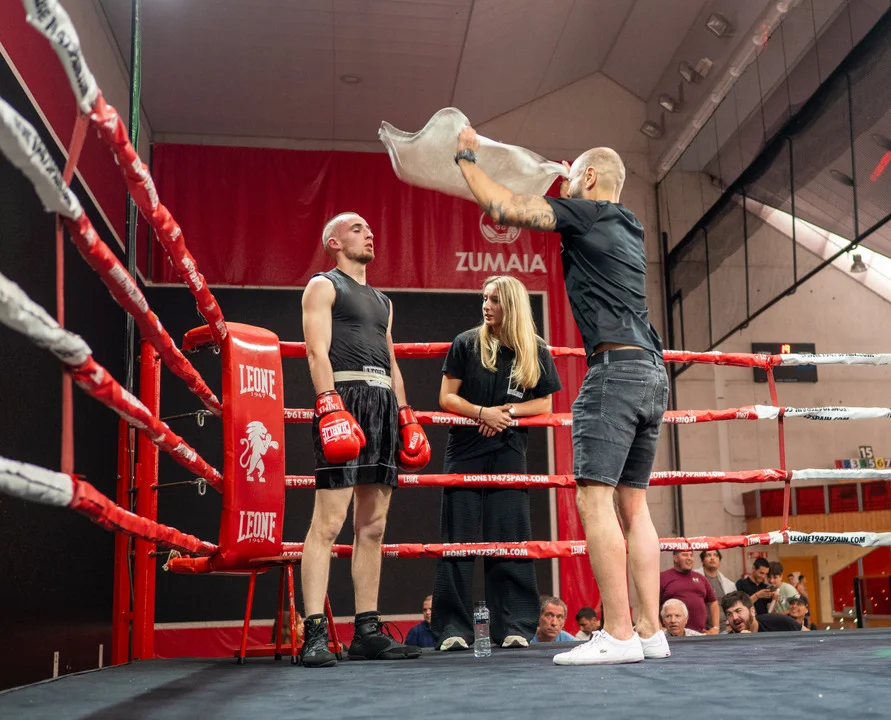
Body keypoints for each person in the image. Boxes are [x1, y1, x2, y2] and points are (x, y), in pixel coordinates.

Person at [454, 128, 669, 665]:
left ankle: (618, 634)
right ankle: (650, 632)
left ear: (590, 178)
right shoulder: (630, 224)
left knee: (595, 499)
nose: (565, 184)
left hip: (616, 374)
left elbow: (503, 207)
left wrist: (465, 156)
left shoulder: (589, 214)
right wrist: (568, 179)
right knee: (634, 505)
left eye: (574, 177)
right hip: (652, 371)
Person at [299, 212, 432, 667]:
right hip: (344, 398)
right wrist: (328, 404)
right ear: (333, 241)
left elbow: (391, 362)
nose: (369, 233)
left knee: (373, 526)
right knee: (328, 523)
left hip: (383, 404)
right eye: (357, 229)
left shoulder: (383, 301)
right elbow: (316, 351)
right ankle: (314, 632)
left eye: (370, 229)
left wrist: (405, 413)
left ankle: (367, 631)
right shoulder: (323, 286)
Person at [432, 275, 562, 651]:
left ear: (512, 305)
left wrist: (505, 412)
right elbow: (446, 397)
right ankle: (453, 628)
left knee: (510, 538)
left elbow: (545, 402)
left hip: (508, 448)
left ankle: (514, 626)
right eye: (485, 299)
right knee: (458, 539)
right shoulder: (466, 342)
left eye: (494, 300)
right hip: (464, 449)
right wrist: (481, 412)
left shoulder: (534, 348)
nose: (486, 306)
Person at [659, 550, 719, 634]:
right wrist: (658, 626)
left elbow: (713, 602)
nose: (689, 558)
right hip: (672, 635)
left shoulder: (701, 578)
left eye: (691, 555)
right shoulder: (662, 577)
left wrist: (716, 627)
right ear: (675, 558)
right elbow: (652, 604)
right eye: (685, 555)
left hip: (699, 634)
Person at [722, 591, 803, 633]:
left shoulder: (779, 621)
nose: (734, 617)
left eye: (738, 611)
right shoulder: (729, 642)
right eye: (729, 614)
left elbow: (808, 636)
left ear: (752, 611)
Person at [696, 549, 736, 633]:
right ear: (702, 561)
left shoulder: (729, 584)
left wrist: (730, 624)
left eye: (715, 555)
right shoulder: (694, 579)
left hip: (724, 629)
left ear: (719, 561)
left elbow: (733, 606)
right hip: (700, 629)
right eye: (708, 555)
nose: (712, 558)